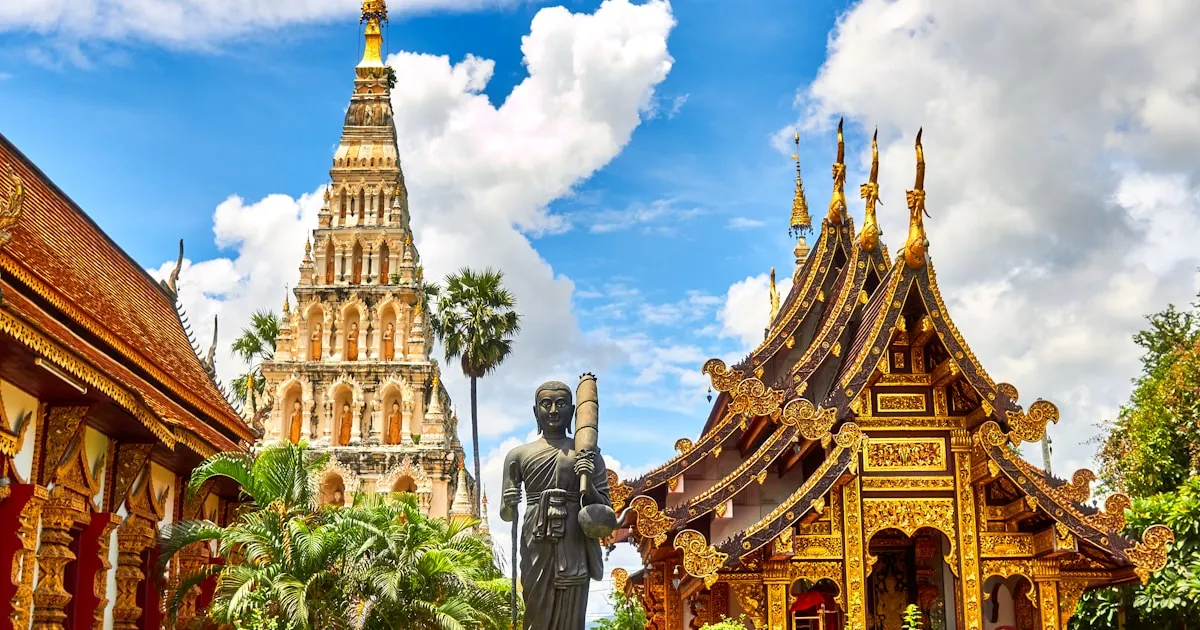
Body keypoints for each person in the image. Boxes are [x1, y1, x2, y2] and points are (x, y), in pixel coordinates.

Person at [500, 381, 612, 630]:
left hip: (573, 538)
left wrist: (589, 483)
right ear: (535, 411)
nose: (553, 410)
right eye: (546, 404)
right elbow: (507, 514)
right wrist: (510, 502)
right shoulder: (518, 455)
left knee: (572, 612)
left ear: (572, 411)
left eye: (560, 404)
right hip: (535, 537)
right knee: (535, 605)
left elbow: (605, 512)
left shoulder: (588, 454)